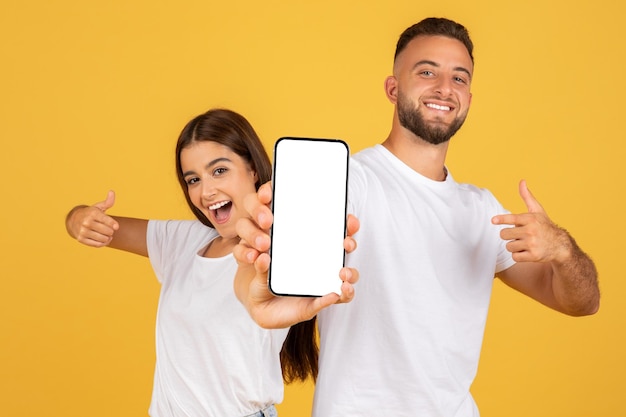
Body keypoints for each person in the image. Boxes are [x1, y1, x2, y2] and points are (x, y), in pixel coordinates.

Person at [233, 17, 600, 417]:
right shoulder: (347, 183)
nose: (445, 88)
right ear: (393, 88)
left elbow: (583, 303)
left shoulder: (482, 210)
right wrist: (255, 284)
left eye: (459, 78)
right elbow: (260, 270)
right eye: (427, 72)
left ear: (469, 100)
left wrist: (562, 250)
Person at [65, 108, 357, 417]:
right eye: (193, 179)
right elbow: (104, 228)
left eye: (219, 170)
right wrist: (78, 217)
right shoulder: (183, 241)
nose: (206, 191)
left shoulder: (277, 251)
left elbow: (256, 288)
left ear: (253, 170)